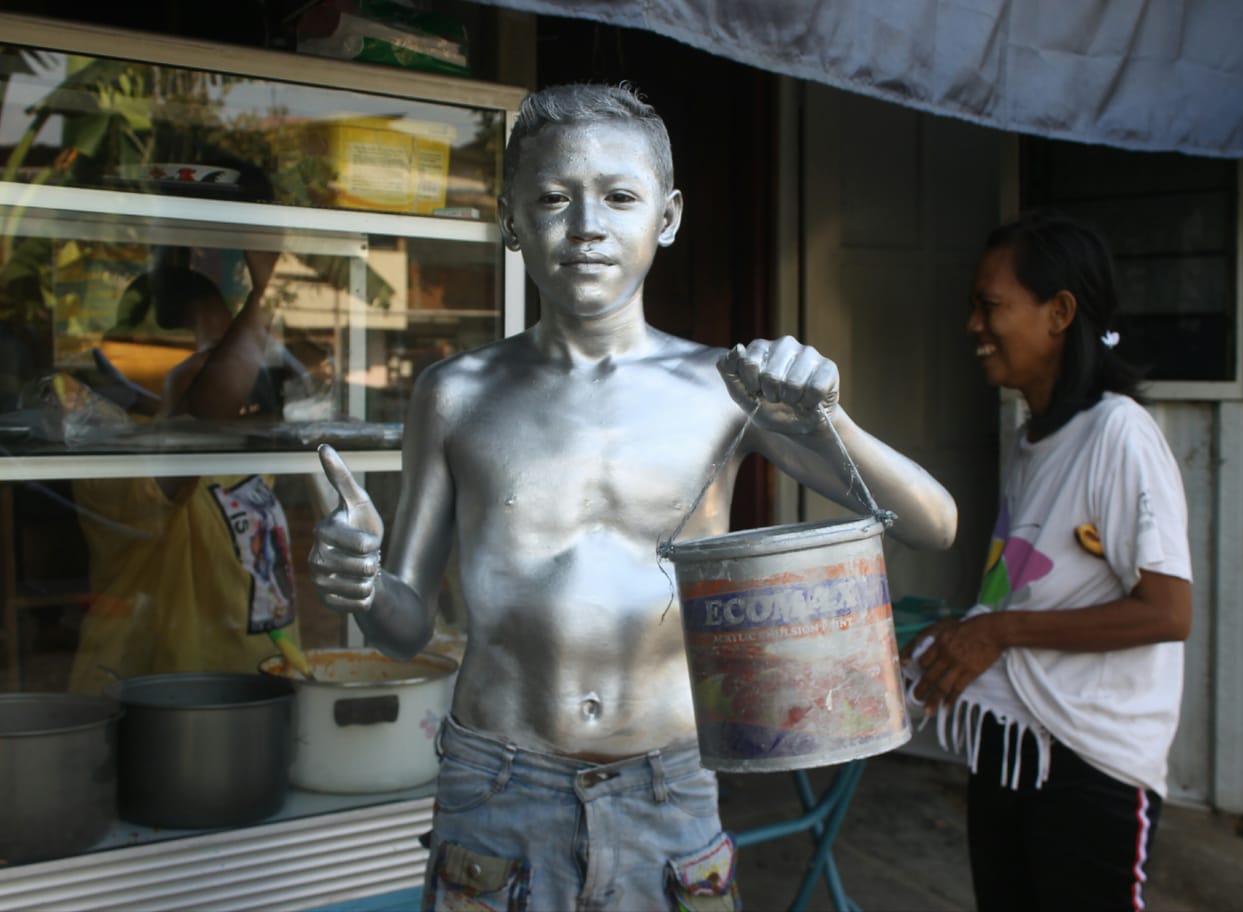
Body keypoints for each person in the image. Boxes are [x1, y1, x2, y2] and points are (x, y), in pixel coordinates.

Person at [309, 83, 958, 912]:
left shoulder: (727, 387)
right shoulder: (457, 395)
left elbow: (934, 522)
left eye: (619, 196)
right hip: (498, 785)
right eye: (551, 198)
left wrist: (830, 417)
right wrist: (364, 587)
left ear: (669, 215)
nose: (587, 225)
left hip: (669, 783)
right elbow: (403, 633)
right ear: (510, 218)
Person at [905, 210, 1193, 912]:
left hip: (1087, 768)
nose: (974, 325)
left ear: (1060, 312)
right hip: (1010, 747)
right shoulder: (1034, 437)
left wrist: (997, 633)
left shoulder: (1119, 435)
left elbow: (1167, 610)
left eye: (991, 305)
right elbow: (1029, 595)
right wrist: (959, 630)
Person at [68, 247, 304, 691]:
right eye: (210, 354)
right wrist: (264, 296)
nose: (236, 365)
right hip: (158, 697)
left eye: (227, 348)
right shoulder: (117, 463)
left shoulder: (235, 442)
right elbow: (197, 414)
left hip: (258, 682)